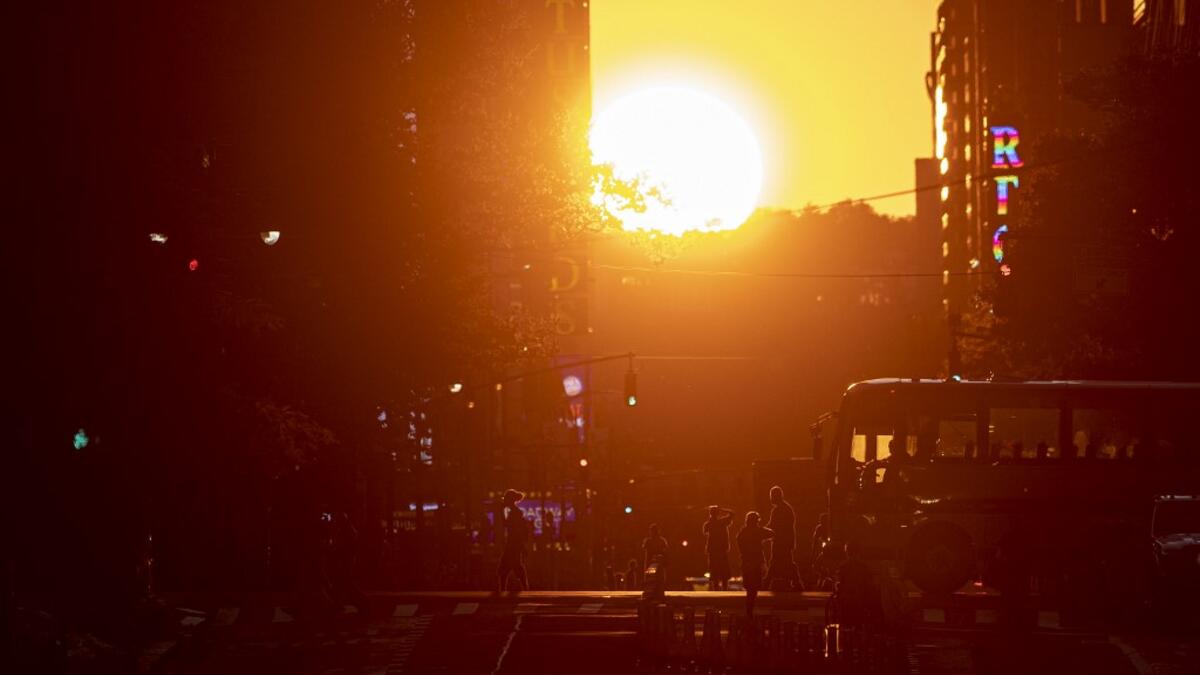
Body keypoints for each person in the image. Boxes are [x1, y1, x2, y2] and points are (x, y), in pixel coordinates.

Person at [765, 486, 803, 591]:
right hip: (786, 541)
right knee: (786, 562)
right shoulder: (786, 508)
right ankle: (796, 583)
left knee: (777, 561)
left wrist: (762, 532)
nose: (771, 498)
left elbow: (772, 526)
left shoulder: (778, 510)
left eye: (772, 496)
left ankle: (766, 583)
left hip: (781, 541)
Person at [736, 511, 774, 617]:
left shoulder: (743, 533)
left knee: (750, 589)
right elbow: (771, 533)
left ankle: (749, 611)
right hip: (755, 564)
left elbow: (740, 544)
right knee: (753, 589)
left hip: (746, 564)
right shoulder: (757, 531)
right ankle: (749, 612)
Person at [497, 489, 530, 592]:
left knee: (505, 568)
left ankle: (504, 590)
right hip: (513, 544)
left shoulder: (516, 513)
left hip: (513, 544)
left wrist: (501, 511)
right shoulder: (515, 512)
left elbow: (512, 528)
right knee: (514, 567)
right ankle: (525, 588)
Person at [702, 506, 734, 590]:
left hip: (712, 550)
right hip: (722, 549)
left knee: (714, 569)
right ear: (718, 513)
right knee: (724, 569)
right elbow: (732, 514)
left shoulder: (708, 524)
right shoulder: (722, 522)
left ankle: (716, 589)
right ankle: (724, 589)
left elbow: (704, 531)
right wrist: (723, 509)